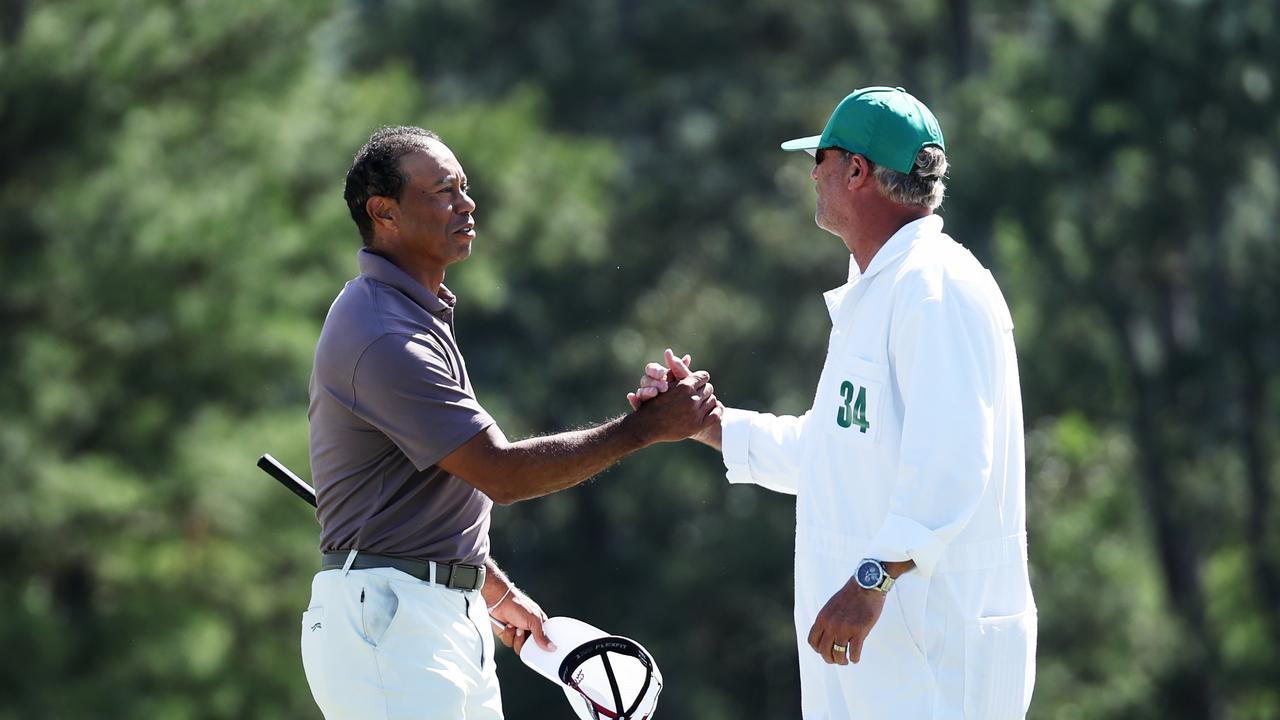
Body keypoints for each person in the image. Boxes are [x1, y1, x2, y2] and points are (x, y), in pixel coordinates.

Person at [631, 87, 1037, 719]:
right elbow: (837, 453)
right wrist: (708, 424)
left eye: (820, 157)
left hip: (935, 651)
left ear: (857, 171)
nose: (812, 173)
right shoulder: (883, 285)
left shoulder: (936, 287)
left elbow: (953, 462)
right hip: (880, 653)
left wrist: (871, 579)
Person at [301, 126, 721, 720]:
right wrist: (643, 428)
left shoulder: (408, 314)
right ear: (383, 212)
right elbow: (500, 473)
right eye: (443, 191)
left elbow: (425, 497)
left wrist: (491, 588)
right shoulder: (384, 334)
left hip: (436, 616)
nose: (466, 204)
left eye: (464, 188)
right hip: (392, 628)